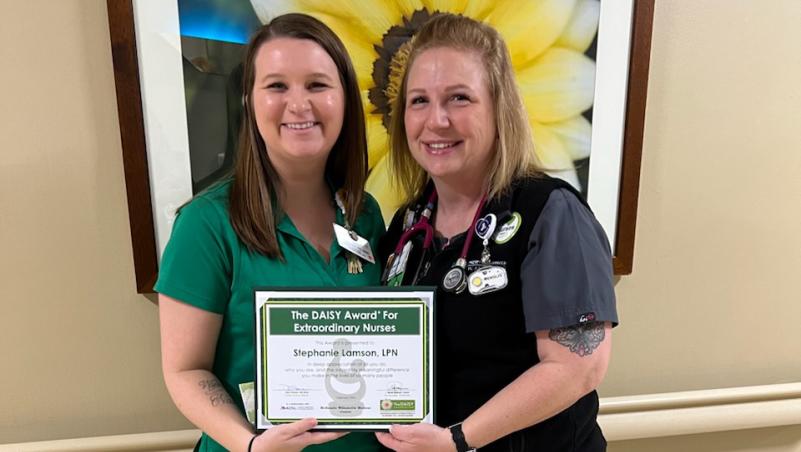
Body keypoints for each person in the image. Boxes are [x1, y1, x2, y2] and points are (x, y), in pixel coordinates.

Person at [375, 14, 617, 452]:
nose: (437, 120)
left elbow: (579, 366)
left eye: (459, 98)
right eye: (419, 101)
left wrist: (457, 440)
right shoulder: (406, 230)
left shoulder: (549, 211)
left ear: (498, 107)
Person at [155, 13, 385, 452]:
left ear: (344, 101)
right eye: (277, 86)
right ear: (250, 100)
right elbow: (186, 371)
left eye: (317, 85)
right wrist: (250, 445)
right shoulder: (206, 225)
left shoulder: (364, 214)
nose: (299, 105)